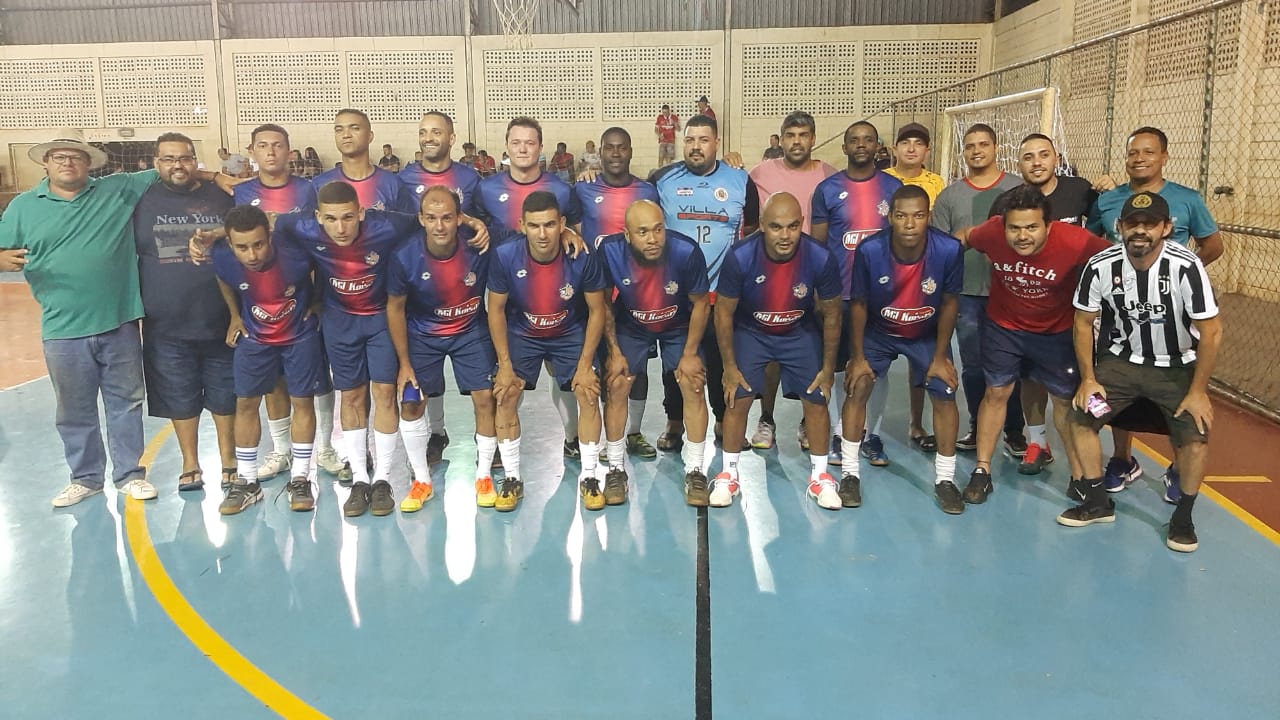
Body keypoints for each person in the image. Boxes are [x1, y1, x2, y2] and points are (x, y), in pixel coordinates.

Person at [1, 129, 229, 507]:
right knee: (74, 408)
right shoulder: (24, 206)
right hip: (62, 326)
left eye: (76, 156)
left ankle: (129, 474)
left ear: (89, 163)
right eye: (60, 156)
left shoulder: (116, 190)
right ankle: (85, 477)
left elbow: (176, 168)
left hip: (119, 320)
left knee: (125, 402)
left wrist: (215, 175)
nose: (68, 162)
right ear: (46, 162)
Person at [1060, 191, 1221, 553]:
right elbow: (1083, 322)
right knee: (1080, 417)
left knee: (1196, 433)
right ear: (1120, 227)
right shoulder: (1101, 265)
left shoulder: (1185, 266)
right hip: (1121, 363)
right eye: (1133, 223)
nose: (1141, 231)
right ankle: (1098, 501)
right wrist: (1089, 379)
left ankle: (1183, 517)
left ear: (1167, 227)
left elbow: (1211, 332)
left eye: (1150, 224)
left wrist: (1198, 391)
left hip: (1176, 366)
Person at [1087, 126, 1224, 497]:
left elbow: (1213, 244)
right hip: (1123, 312)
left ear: (1164, 156)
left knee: (1177, 393)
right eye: (1133, 152)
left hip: (1173, 319)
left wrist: (1181, 277)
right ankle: (1121, 458)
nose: (1140, 159)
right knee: (1115, 385)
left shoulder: (1187, 199)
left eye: (1148, 152)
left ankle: (1179, 468)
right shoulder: (1108, 199)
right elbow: (1094, 241)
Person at [273, 180, 420, 517]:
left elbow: (430, 217)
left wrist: (471, 221)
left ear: (362, 213)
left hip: (380, 320)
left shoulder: (388, 226)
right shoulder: (300, 226)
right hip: (339, 323)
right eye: (331, 219)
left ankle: (382, 478)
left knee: (384, 394)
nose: (340, 228)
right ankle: (359, 479)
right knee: (351, 397)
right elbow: (275, 225)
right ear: (317, 217)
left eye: (349, 218)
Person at [958, 185, 1109, 504]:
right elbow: (963, 238)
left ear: (1048, 226)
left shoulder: (1074, 240)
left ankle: (1079, 476)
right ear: (1004, 225)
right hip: (1005, 327)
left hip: (1055, 331)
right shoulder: (992, 233)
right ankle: (982, 471)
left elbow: (1114, 258)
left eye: (1031, 227)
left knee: (1063, 402)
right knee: (996, 392)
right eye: (1014, 228)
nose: (1022, 236)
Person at [230, 124, 347, 483]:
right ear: (252, 151)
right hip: (262, 305)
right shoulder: (240, 192)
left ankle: (325, 448)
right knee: (275, 383)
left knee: (317, 379)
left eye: (277, 146)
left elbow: (321, 245)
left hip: (304, 303)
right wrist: (236, 313)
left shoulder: (309, 190)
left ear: (289, 151)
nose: (270, 152)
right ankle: (281, 450)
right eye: (263, 146)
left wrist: (317, 298)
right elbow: (231, 243)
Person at [710, 193, 842, 509]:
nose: (785, 236)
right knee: (738, 397)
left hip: (798, 331)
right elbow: (723, 312)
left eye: (793, 226)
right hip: (752, 332)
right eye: (776, 227)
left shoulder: (820, 256)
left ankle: (820, 477)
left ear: (802, 225)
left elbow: (834, 313)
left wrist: (827, 367)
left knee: (817, 398)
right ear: (762, 228)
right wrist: (728, 366)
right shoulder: (740, 257)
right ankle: (728, 475)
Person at [838, 185, 963, 514]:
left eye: (919, 216)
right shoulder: (869, 250)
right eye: (902, 216)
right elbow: (859, 304)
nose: (910, 224)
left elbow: (950, 303)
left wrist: (939, 357)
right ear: (890, 217)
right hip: (879, 333)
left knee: (944, 390)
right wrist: (858, 357)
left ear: (929, 218)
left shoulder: (948, 250)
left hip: (924, 335)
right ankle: (850, 474)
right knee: (858, 384)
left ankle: (945, 480)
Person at [487, 191, 608, 511]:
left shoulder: (582, 257)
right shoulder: (504, 256)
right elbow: (495, 310)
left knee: (587, 390)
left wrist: (585, 365)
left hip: (568, 331)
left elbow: (597, 310)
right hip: (523, 332)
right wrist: (504, 364)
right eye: (535, 225)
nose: (543, 234)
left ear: (563, 224)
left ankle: (590, 476)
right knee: (506, 392)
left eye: (550, 225)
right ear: (521, 225)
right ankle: (511, 477)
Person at [476, 116, 586, 458]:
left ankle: (572, 439)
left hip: (555, 294)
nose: (523, 149)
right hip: (506, 293)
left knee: (561, 370)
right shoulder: (486, 189)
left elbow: (576, 237)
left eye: (530, 143)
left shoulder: (562, 190)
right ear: (507, 148)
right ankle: (498, 445)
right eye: (516, 143)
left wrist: (570, 233)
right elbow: (472, 226)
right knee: (507, 373)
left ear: (541, 148)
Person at [650, 114, 760, 452]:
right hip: (677, 294)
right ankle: (673, 422)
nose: (696, 146)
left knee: (720, 359)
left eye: (704, 139)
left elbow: (754, 233)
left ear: (717, 143)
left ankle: (723, 420)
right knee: (676, 362)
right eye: (690, 140)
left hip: (723, 294)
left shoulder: (741, 180)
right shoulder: (661, 180)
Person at [134, 132, 238, 493]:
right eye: (168, 159)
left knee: (226, 395)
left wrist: (214, 179)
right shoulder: (140, 198)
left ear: (197, 160)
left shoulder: (220, 195)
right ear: (155, 163)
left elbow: (247, 227)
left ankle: (230, 460)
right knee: (180, 397)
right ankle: (190, 462)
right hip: (166, 323)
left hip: (221, 318)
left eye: (186, 158)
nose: (178, 165)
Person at [211, 206, 328, 514]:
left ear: (270, 236)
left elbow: (325, 267)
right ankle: (248, 482)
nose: (251, 254)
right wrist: (235, 315)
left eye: (258, 244)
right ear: (230, 243)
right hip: (255, 338)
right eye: (242, 247)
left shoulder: (297, 254)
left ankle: (301, 477)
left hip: (299, 336)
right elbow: (223, 278)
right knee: (246, 404)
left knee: (302, 402)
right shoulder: (223, 257)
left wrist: (316, 303)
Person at [387, 186, 497, 510]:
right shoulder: (403, 256)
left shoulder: (480, 246)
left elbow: (526, 231)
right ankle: (422, 481)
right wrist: (404, 364)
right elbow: (394, 308)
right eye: (432, 218)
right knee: (410, 402)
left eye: (447, 218)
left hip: (470, 331)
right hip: (422, 334)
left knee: (486, 398)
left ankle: (484, 475)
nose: (439, 226)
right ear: (420, 218)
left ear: (459, 218)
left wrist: (565, 233)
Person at [600, 200, 712, 505]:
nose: (653, 239)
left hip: (677, 324)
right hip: (632, 323)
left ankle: (696, 470)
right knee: (618, 382)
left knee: (693, 382)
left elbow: (701, 303)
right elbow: (603, 303)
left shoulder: (686, 251)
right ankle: (615, 468)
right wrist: (613, 350)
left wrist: (689, 353)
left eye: (658, 229)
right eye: (643, 232)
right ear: (627, 235)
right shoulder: (609, 251)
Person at [809, 121, 902, 467]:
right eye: (854, 140)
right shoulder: (827, 190)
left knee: (877, 369)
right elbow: (817, 248)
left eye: (868, 140)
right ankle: (838, 432)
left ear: (877, 147)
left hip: (881, 297)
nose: (861, 145)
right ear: (845, 147)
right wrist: (819, 292)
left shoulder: (894, 188)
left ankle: (871, 435)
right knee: (834, 366)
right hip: (839, 295)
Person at [930, 123, 1025, 460]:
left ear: (996, 147)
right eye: (970, 146)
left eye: (983, 144)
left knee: (1010, 365)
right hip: (967, 293)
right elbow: (938, 247)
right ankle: (976, 423)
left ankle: (1014, 430)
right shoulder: (950, 196)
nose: (976, 151)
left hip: (1012, 291)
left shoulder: (1018, 189)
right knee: (973, 364)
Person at [398, 112, 488, 461]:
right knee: (426, 378)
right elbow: (400, 227)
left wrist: (474, 222)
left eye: (436, 132)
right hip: (418, 281)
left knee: (479, 382)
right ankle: (436, 433)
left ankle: (488, 447)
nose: (428, 138)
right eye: (423, 132)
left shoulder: (469, 178)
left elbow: (479, 222)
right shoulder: (403, 179)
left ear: (451, 137)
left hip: (460, 277)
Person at [746, 110, 838, 455]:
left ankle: (805, 421)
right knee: (770, 354)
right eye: (790, 135)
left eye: (803, 135)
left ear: (813, 138)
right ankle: (766, 418)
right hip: (769, 278)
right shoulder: (760, 173)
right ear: (780, 139)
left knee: (808, 352)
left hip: (813, 276)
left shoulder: (830, 176)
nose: (796, 141)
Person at [575, 128, 663, 458]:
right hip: (594, 289)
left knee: (633, 365)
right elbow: (568, 223)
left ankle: (634, 432)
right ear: (600, 152)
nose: (615, 154)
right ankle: (599, 434)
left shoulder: (646, 190)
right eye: (609, 148)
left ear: (630, 151)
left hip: (636, 292)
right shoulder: (583, 187)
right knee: (597, 362)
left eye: (621, 148)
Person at [316, 109, 416, 213]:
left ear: (370, 136)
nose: (346, 135)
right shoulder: (319, 185)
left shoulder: (392, 184)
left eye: (355, 128)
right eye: (339, 130)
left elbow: (407, 226)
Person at [885, 123, 945, 204]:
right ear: (895, 150)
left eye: (918, 143)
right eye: (905, 143)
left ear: (927, 152)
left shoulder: (936, 183)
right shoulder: (882, 179)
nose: (911, 149)